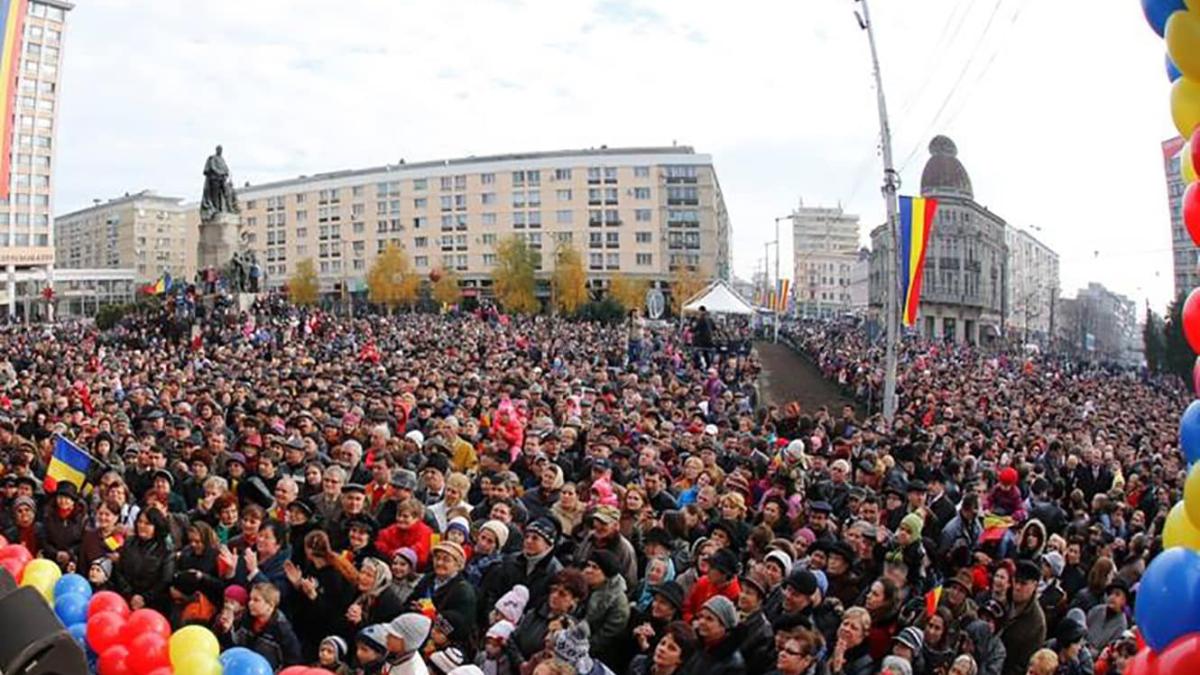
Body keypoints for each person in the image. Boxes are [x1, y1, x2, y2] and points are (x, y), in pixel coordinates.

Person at [231, 581, 303, 669]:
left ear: (271, 605)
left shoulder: (283, 631)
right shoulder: (244, 617)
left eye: (256, 600)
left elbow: (292, 662)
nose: (250, 603)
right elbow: (233, 645)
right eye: (250, 599)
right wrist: (226, 630)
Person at [681, 596, 746, 675]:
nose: (702, 622)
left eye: (709, 619)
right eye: (701, 616)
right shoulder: (696, 647)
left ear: (724, 627)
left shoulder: (733, 666)